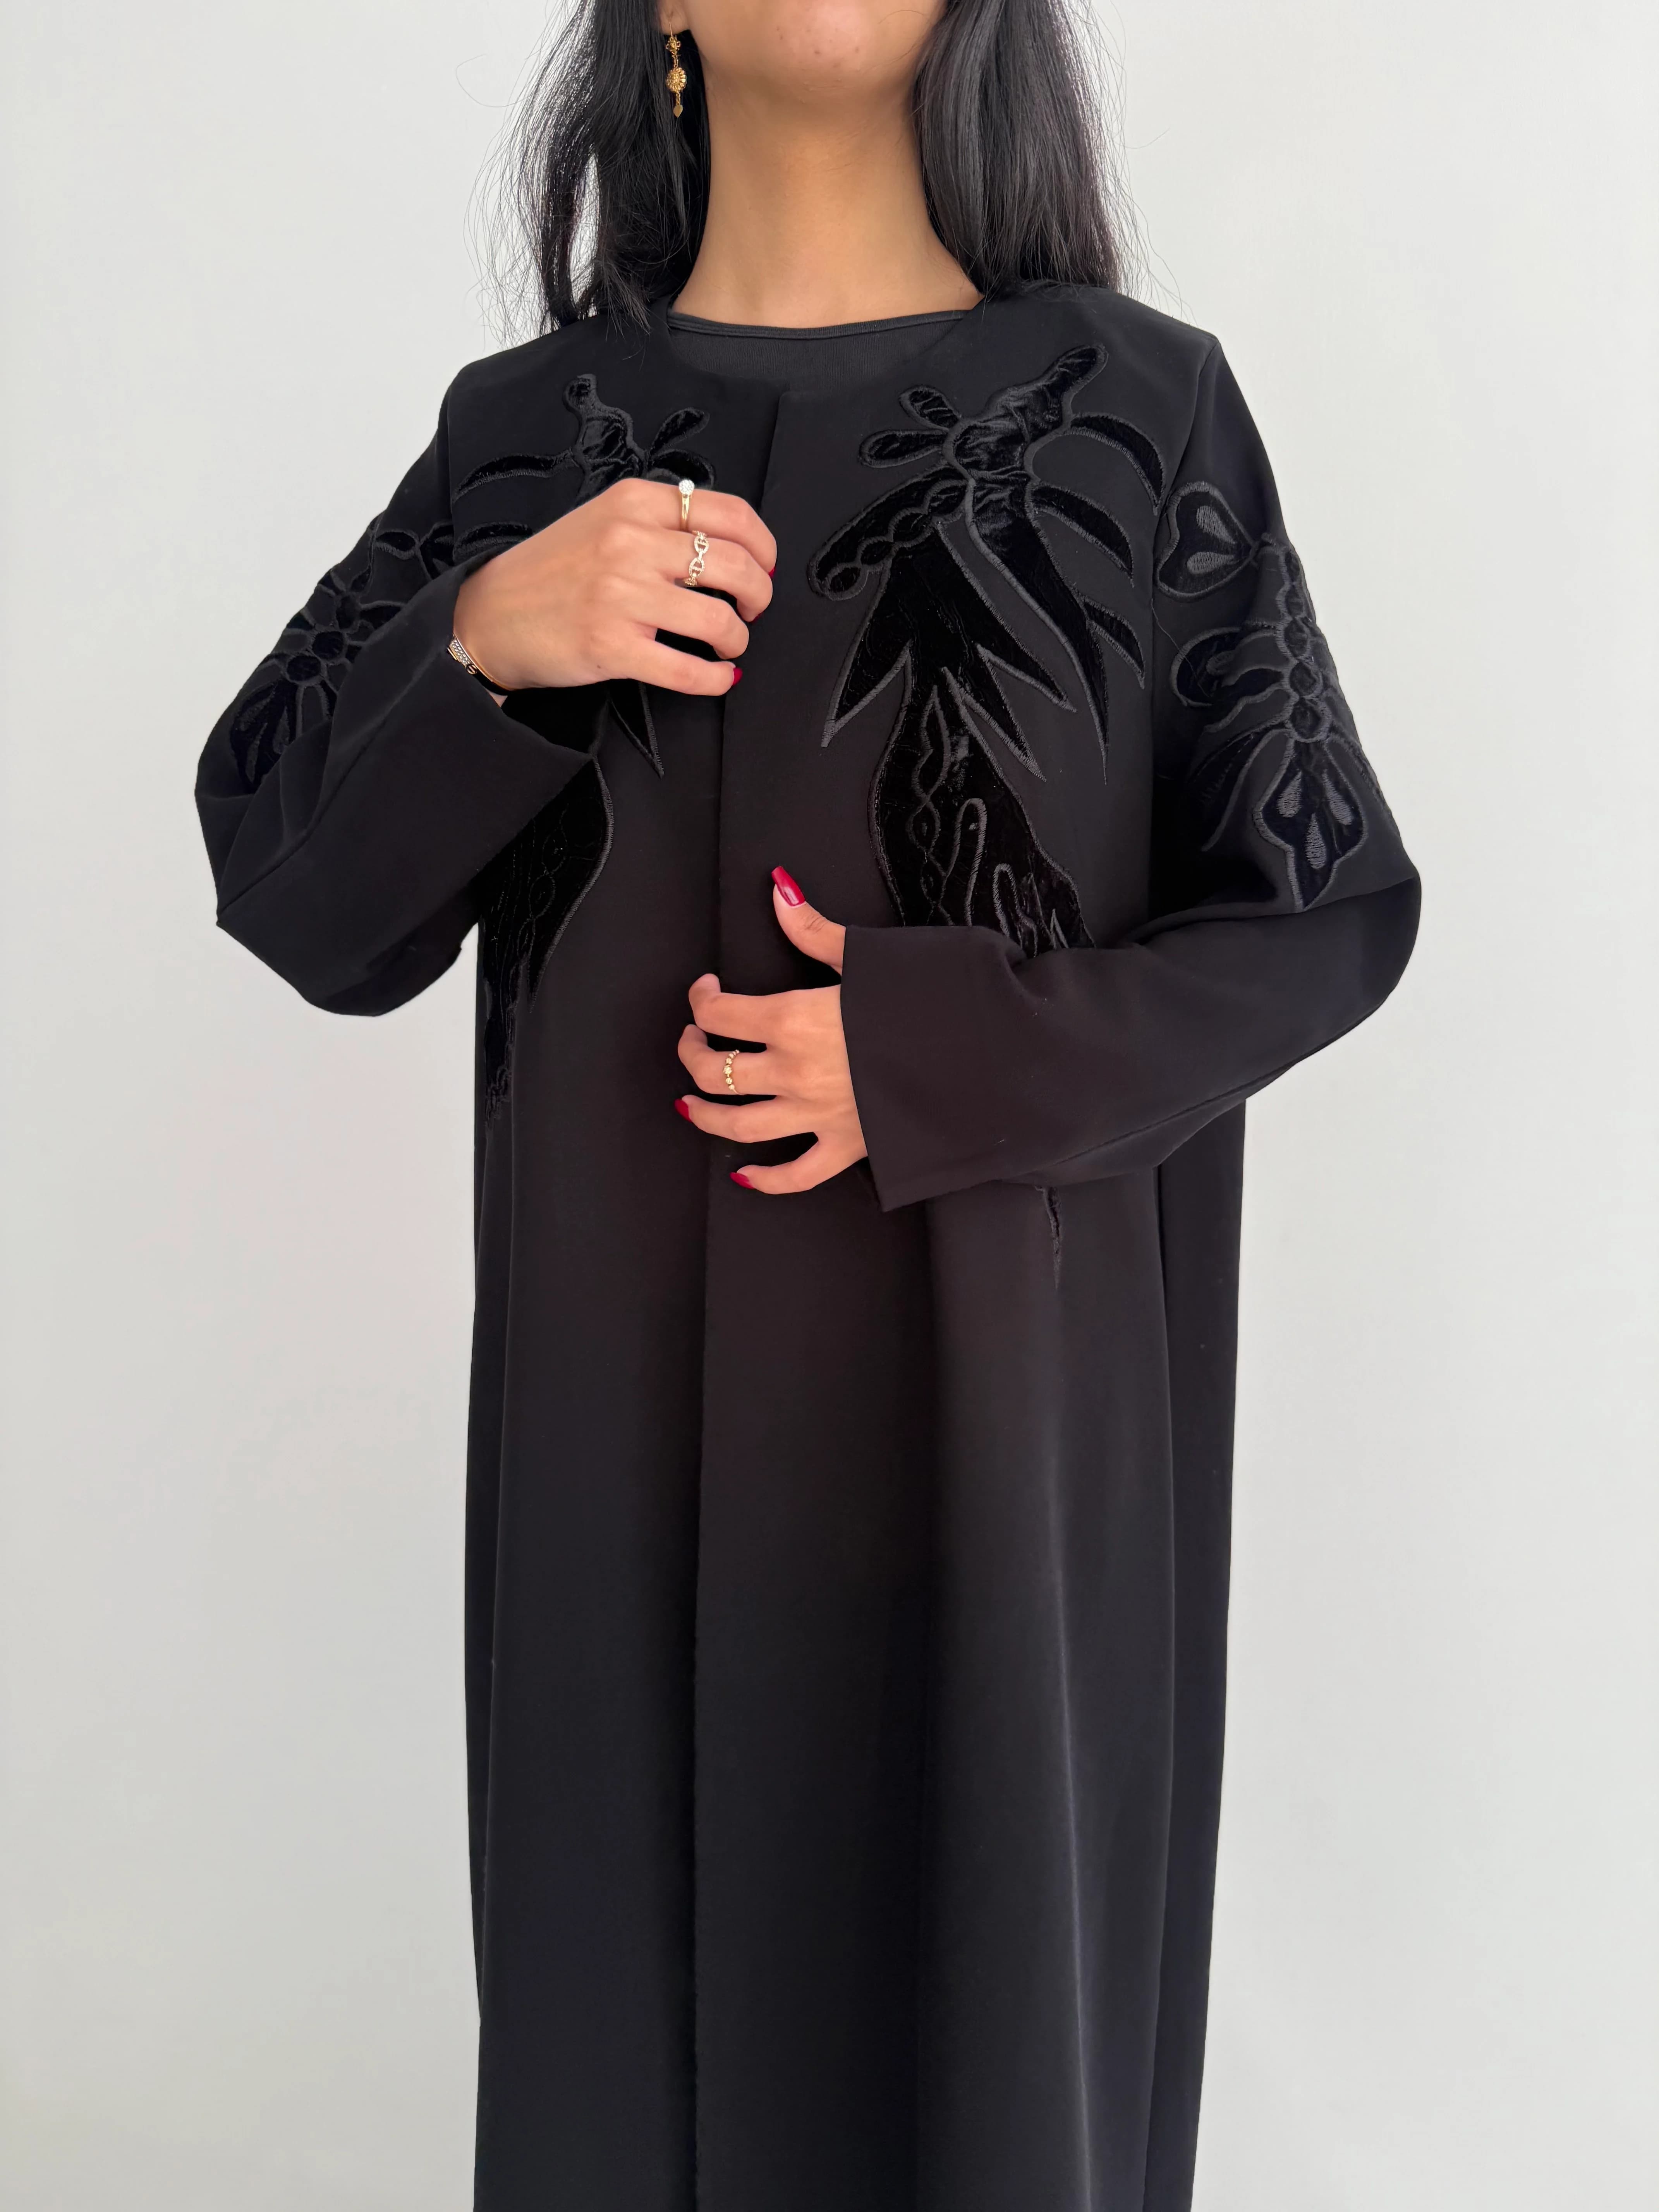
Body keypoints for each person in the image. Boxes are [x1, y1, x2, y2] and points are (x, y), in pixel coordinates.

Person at [194, 3, 1419, 2206]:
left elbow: (1323, 912)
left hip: (998, 1495)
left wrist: (939, 1053)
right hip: (614, 1509)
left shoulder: (1137, 410)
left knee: (992, 2080)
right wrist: (483, 644)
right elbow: (291, 884)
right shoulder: (526, 440)